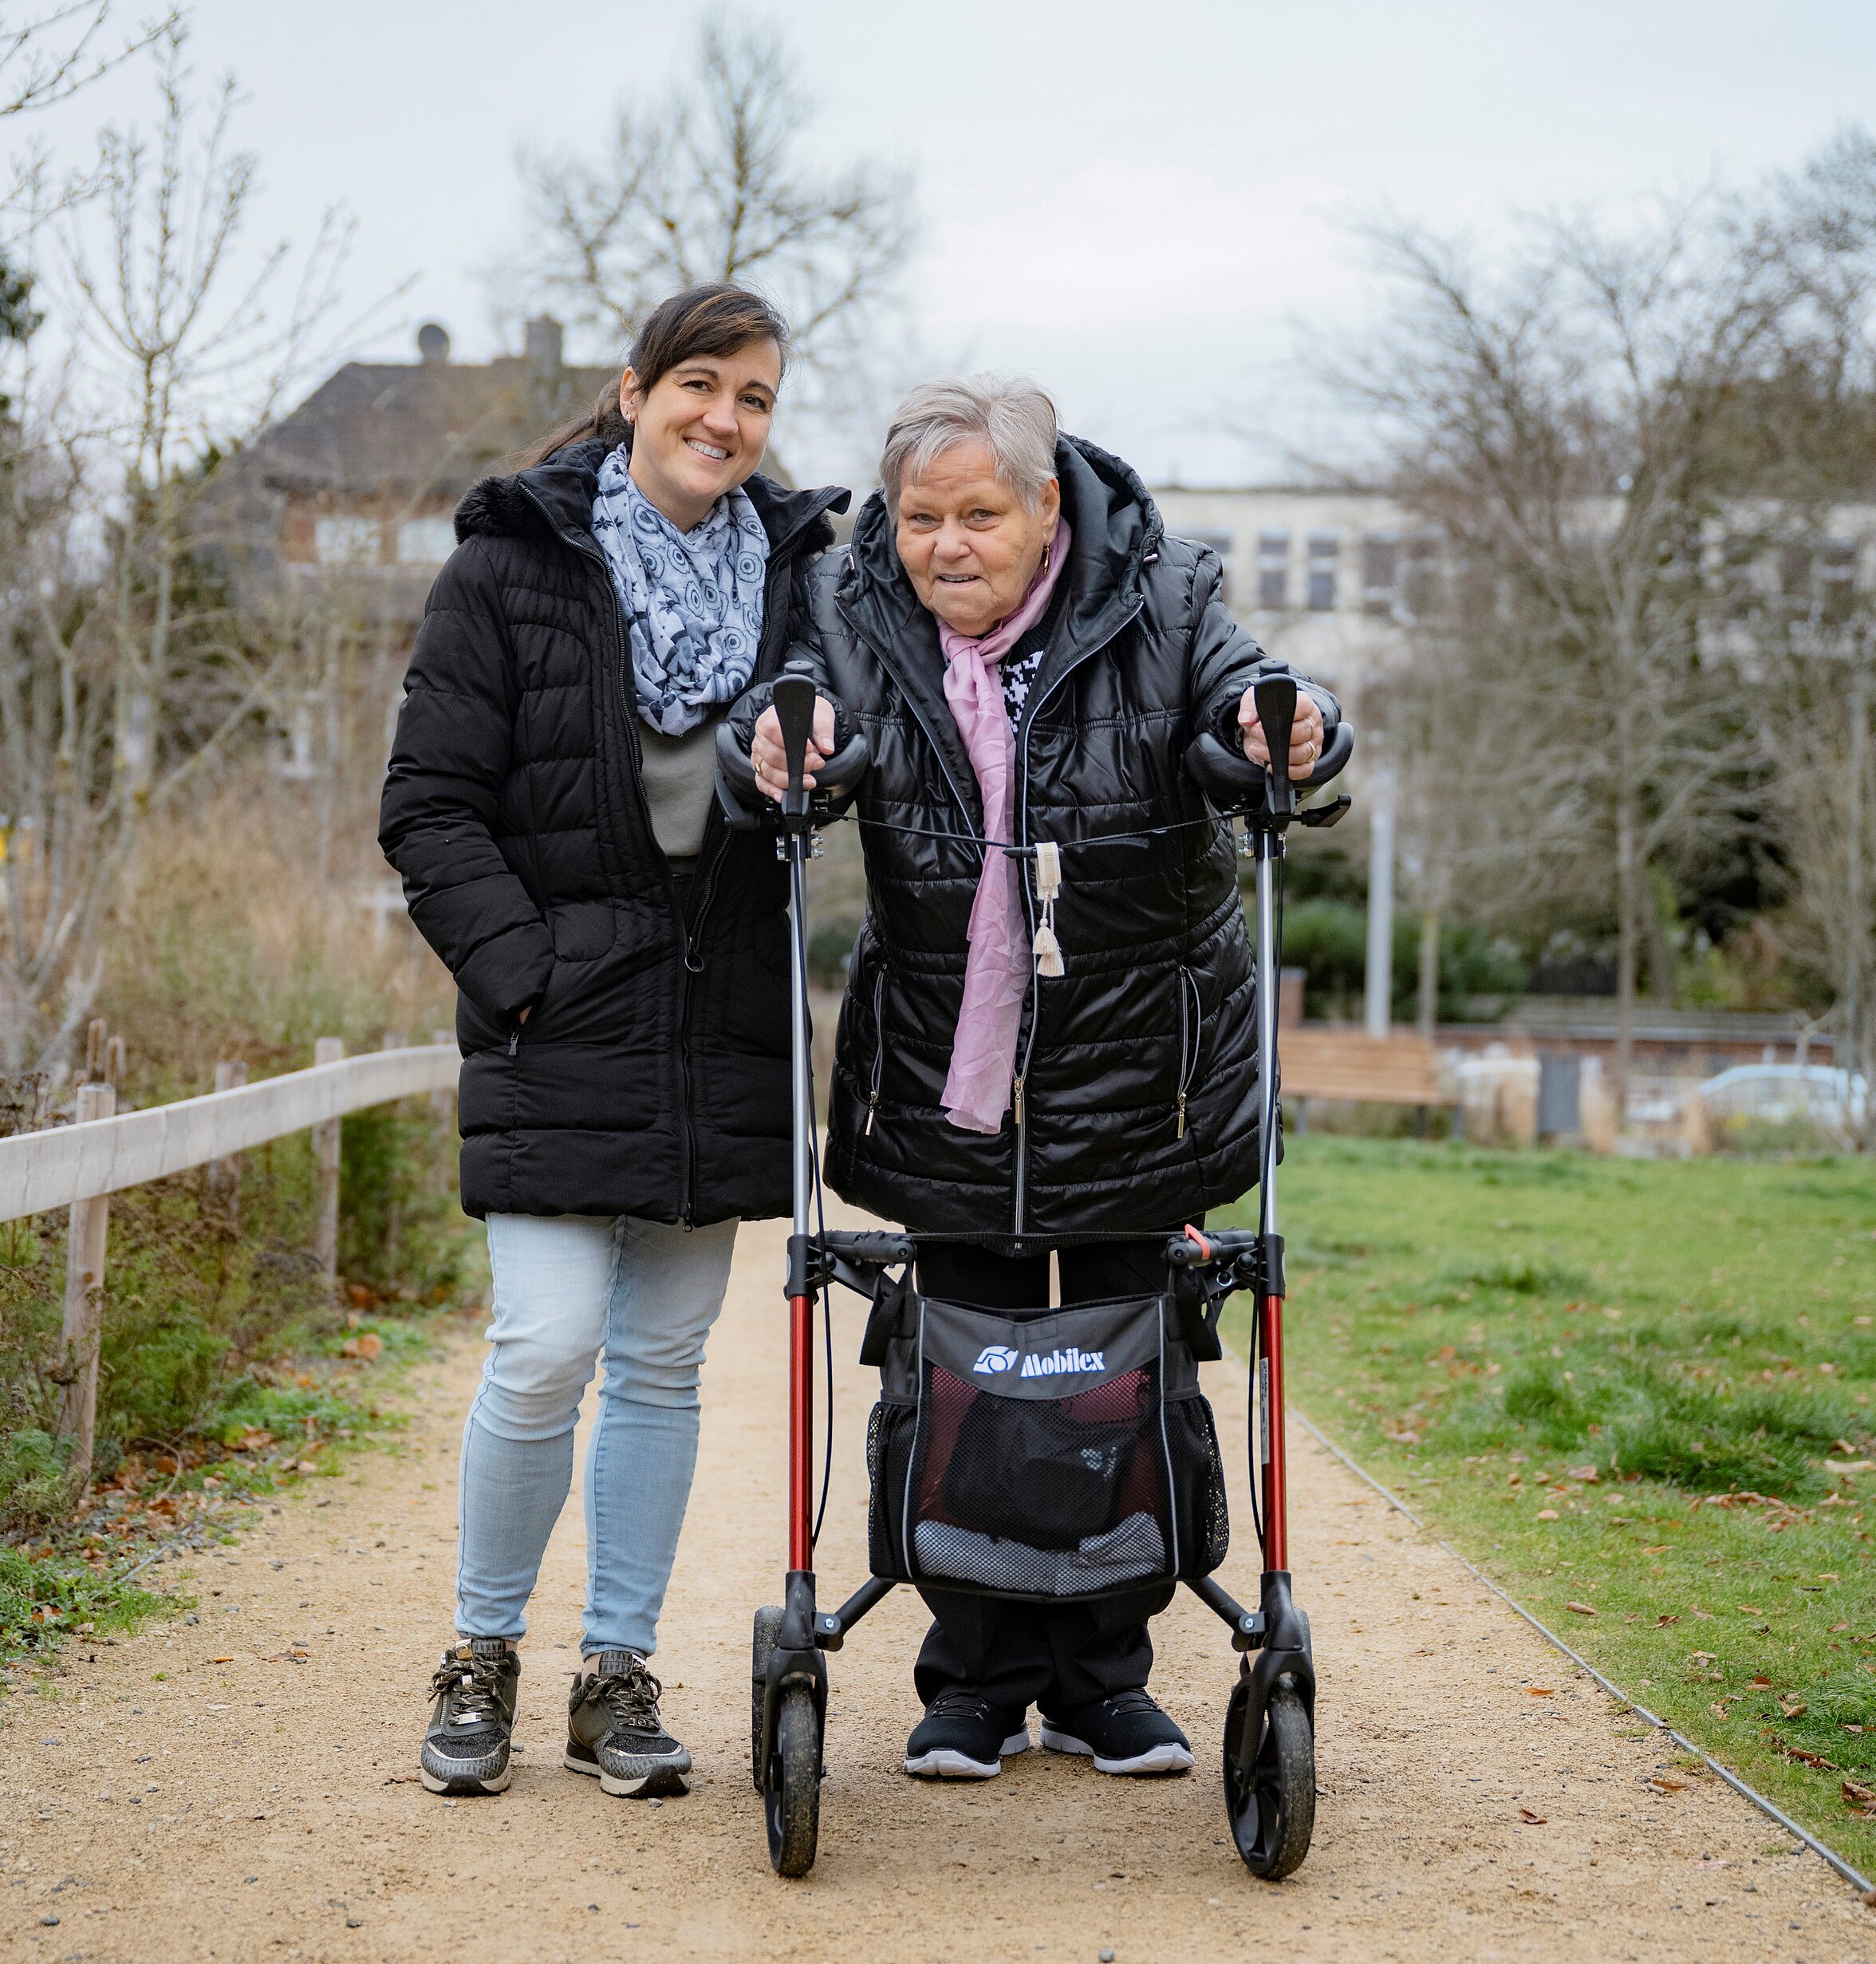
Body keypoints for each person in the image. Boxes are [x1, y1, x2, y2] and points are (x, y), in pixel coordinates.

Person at [743, 375, 1337, 1782]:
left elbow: (1267, 711)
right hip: (948, 1073)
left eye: (979, 514)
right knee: (957, 1371)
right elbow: (793, 722)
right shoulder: (852, 601)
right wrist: (776, 749)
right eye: (921, 516)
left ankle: (1101, 1681)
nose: (946, 544)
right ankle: (969, 1678)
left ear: (1048, 503)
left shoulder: (1167, 591)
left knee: (1121, 1374)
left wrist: (1291, 729)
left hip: (1145, 1069)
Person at [380, 284, 847, 1800]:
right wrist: (526, 980)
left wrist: (818, 784)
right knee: (545, 1345)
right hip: (558, 1024)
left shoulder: (802, 576)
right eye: (701, 385)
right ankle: (480, 1655)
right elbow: (429, 810)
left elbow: (844, 766)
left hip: (716, 1030)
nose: (728, 419)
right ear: (633, 390)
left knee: (659, 1362)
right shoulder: (509, 566)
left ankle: (614, 1675)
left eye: (758, 398)